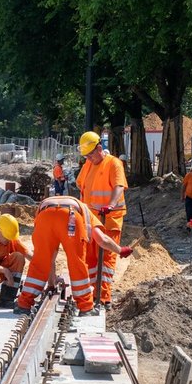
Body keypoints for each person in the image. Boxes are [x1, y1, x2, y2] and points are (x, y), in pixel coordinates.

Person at [14, 196, 133, 316]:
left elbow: (51, 258)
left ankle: (23, 304)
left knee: (40, 261)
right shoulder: (87, 213)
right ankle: (85, 307)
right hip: (70, 216)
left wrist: (51, 283)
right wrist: (120, 250)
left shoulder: (49, 207)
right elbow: (102, 240)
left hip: (44, 213)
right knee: (77, 263)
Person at [75, 131, 127, 310]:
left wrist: (111, 205)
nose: (89, 158)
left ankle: (104, 298)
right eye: (86, 155)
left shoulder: (113, 163)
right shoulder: (89, 164)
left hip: (110, 219)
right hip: (90, 220)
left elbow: (119, 186)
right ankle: (91, 294)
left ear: (99, 148)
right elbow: (81, 186)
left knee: (106, 259)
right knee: (89, 258)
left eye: (91, 154)